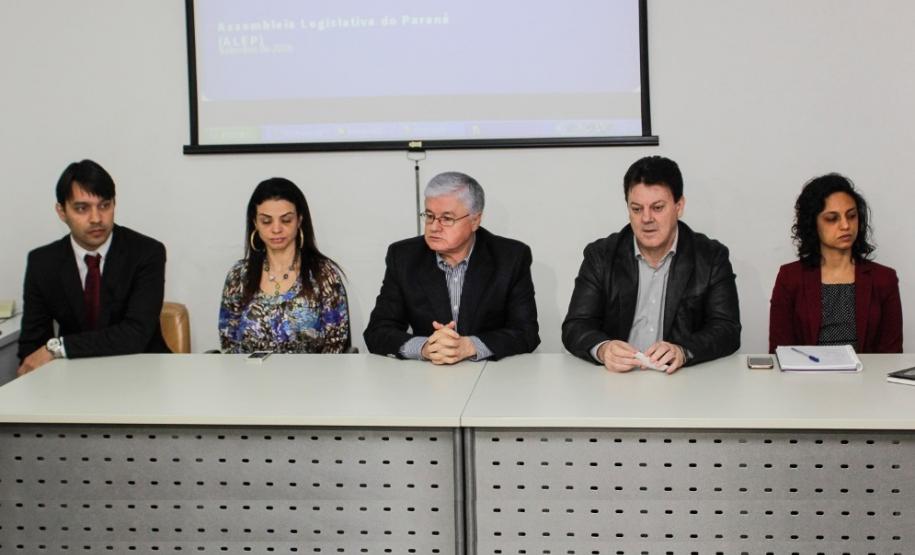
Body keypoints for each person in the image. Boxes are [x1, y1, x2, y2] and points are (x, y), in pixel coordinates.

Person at [562, 156, 741, 373]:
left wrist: (683, 351)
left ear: (679, 206)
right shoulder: (601, 255)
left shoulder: (711, 257)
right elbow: (575, 326)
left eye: (657, 208)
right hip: (617, 381)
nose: (646, 218)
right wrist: (603, 349)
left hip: (681, 381)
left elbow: (727, 329)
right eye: (637, 209)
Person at [364, 171, 539, 363]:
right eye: (429, 216)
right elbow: (377, 331)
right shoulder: (404, 257)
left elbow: (526, 333)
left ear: (475, 220)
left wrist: (471, 346)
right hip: (427, 376)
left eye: (447, 218)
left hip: (491, 375)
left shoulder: (511, 257)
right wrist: (424, 348)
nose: (434, 227)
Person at [17, 159, 170, 375]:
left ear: (114, 204)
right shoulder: (42, 263)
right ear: (62, 212)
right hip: (75, 378)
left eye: (104, 206)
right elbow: (31, 346)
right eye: (82, 208)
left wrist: (60, 347)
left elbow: (135, 334)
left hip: (143, 373)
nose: (96, 218)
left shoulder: (146, 252)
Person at [768, 174, 902, 353]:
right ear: (812, 224)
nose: (846, 225)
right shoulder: (790, 277)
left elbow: (891, 355)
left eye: (852, 216)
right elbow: (780, 352)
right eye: (832, 218)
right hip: (807, 379)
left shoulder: (884, 279)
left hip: (868, 378)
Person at [219, 177, 350, 353]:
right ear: (255, 223)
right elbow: (228, 342)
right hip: (250, 378)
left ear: (299, 220)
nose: (276, 229)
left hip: (313, 378)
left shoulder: (323, 274)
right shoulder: (238, 276)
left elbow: (336, 345)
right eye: (266, 221)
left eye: (286, 220)